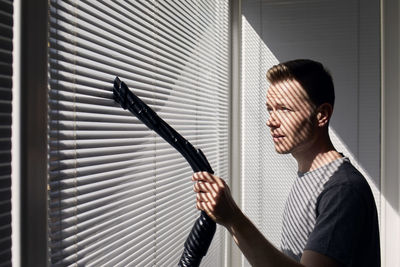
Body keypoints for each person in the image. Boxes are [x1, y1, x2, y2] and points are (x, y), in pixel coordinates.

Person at [192, 59, 380, 267]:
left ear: (321, 115)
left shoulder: (341, 190)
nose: (271, 121)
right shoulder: (310, 176)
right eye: (270, 109)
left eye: (284, 109)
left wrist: (233, 218)